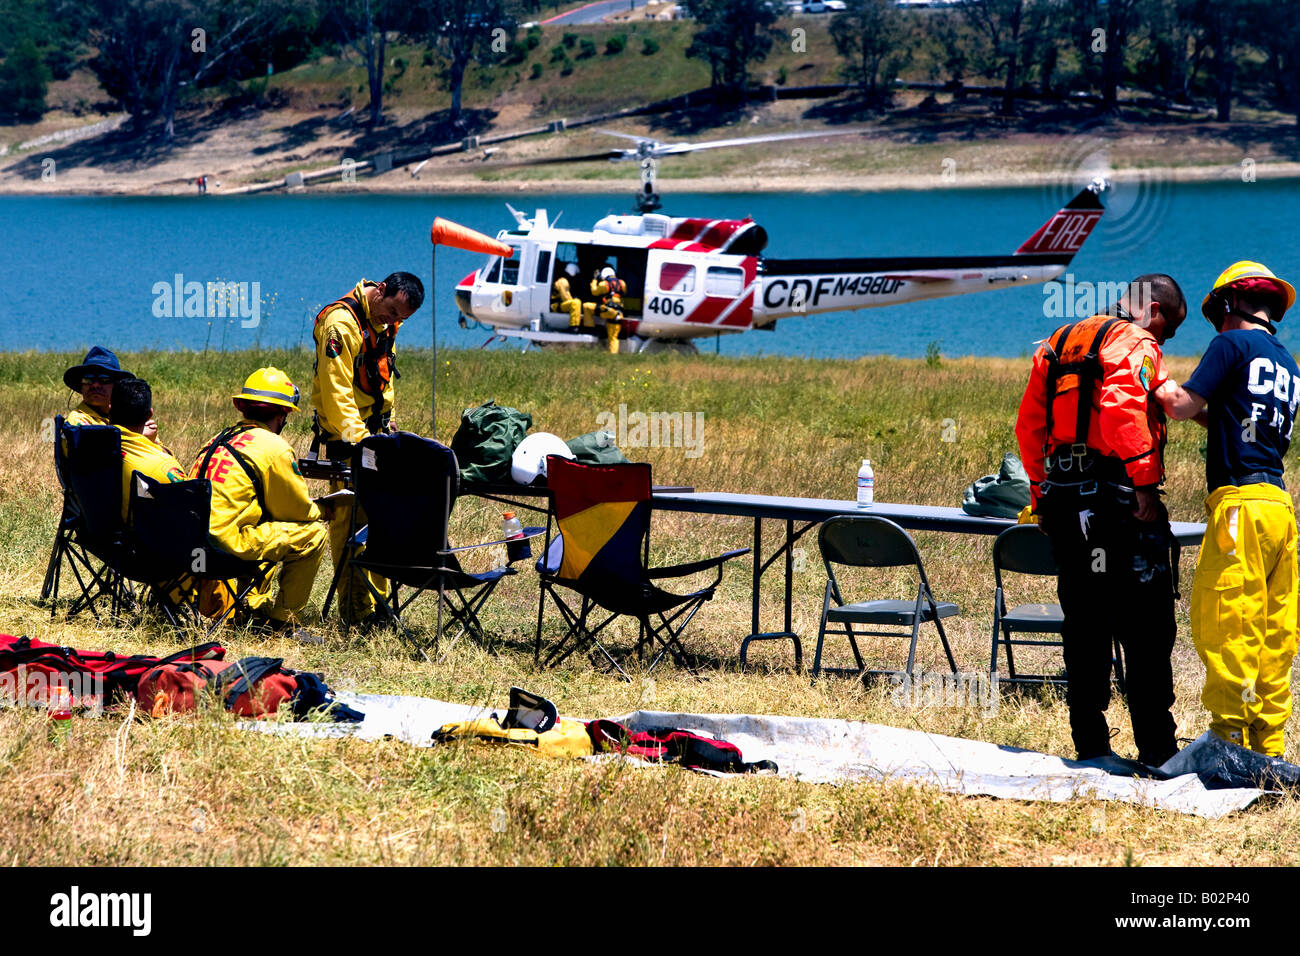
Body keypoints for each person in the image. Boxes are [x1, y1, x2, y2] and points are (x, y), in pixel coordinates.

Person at [1015, 274, 1187, 767]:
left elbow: (1031, 425)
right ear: (1152, 310)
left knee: (1085, 621)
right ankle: (1156, 749)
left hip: (1066, 502)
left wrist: (1039, 493)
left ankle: (1090, 746)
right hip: (1119, 501)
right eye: (1168, 329)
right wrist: (1144, 483)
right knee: (1148, 625)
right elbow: (1120, 407)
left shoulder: (1057, 342)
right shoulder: (1135, 341)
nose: (1163, 341)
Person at [1155, 261, 1300, 757]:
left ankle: (1229, 741)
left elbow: (1177, 405)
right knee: (1274, 630)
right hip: (1279, 510)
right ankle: (1270, 746)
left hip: (1238, 504)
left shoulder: (1229, 344)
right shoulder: (1287, 362)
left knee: (1229, 620)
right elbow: (1231, 419)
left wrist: (1154, 374)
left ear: (1227, 303)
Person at [310, 272, 423, 625]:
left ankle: (380, 605)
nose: (394, 321)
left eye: (401, 318)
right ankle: (356, 611)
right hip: (351, 442)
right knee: (349, 526)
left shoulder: (385, 323)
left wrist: (388, 426)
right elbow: (336, 393)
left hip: (376, 437)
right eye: (392, 312)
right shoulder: (341, 324)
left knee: (381, 522)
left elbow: (382, 377)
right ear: (382, 291)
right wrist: (362, 444)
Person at [192, 367, 330, 644]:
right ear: (283, 414)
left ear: (241, 407)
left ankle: (250, 603)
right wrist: (324, 510)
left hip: (192, 546)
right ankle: (283, 624)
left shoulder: (218, 439)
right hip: (227, 548)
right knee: (313, 536)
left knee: (264, 526)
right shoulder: (273, 445)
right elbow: (297, 512)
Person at [109, 377, 186, 522]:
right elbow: (189, 504)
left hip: (96, 530)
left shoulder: (87, 447)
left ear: (110, 409)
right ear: (149, 414)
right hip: (142, 538)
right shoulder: (162, 465)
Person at [63, 346, 130, 427]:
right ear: (81, 386)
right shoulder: (77, 421)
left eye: (104, 379)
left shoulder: (123, 418)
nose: (95, 385)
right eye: (88, 380)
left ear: (116, 386)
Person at [584, 265, 626, 354]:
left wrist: (594, 280)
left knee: (586, 306)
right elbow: (623, 293)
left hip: (607, 310)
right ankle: (613, 355)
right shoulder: (622, 283)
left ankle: (590, 330)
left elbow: (594, 292)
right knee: (613, 337)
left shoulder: (604, 284)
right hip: (619, 311)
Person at [552, 262, 583, 332]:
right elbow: (566, 298)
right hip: (555, 306)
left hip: (558, 304)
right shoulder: (563, 282)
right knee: (576, 303)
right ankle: (573, 327)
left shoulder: (564, 281)